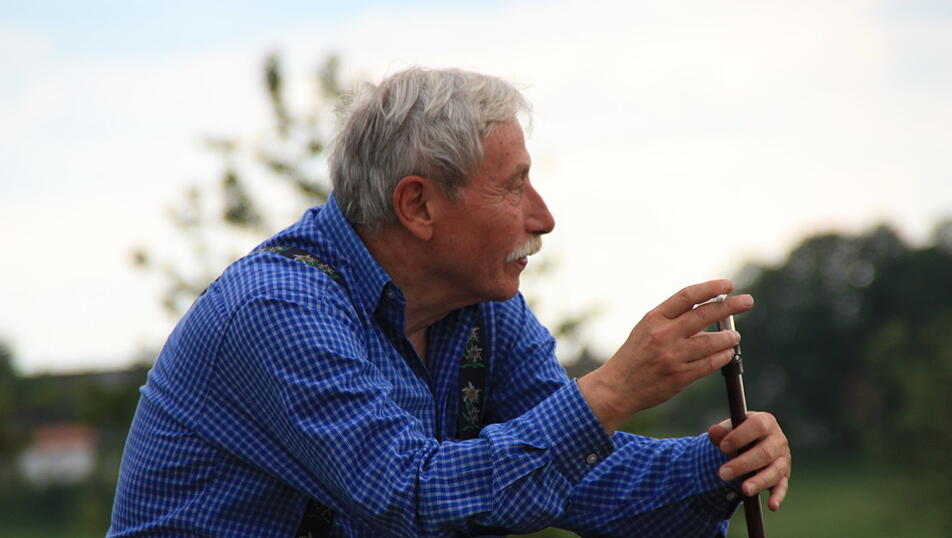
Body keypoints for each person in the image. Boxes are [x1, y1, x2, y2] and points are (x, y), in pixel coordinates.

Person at [109, 67, 790, 537]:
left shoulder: (480, 304)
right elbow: (407, 497)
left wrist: (723, 466)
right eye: (513, 186)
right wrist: (610, 391)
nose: (544, 216)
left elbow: (577, 477)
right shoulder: (277, 312)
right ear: (418, 205)